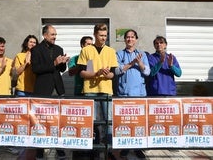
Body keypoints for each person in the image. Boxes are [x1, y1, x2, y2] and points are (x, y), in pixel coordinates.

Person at [77, 23, 118, 159]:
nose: (103, 38)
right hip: (90, 90)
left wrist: (106, 74)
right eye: (101, 35)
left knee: (108, 120)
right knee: (91, 121)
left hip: (106, 90)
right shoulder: (87, 50)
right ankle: (92, 148)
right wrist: (97, 73)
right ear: (95, 35)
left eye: (105, 35)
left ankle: (108, 149)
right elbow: (83, 73)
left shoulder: (111, 51)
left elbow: (113, 74)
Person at [31, 24, 69, 160]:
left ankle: (59, 149)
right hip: (43, 89)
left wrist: (64, 62)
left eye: (55, 35)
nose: (55, 37)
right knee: (40, 122)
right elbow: (35, 69)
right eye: (52, 34)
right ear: (45, 35)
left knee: (57, 121)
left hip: (57, 89)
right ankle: (40, 151)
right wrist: (53, 63)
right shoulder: (36, 50)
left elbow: (62, 69)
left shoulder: (59, 48)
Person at [114, 29, 150, 159]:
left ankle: (138, 148)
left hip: (139, 94)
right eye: (127, 37)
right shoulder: (118, 54)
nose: (130, 39)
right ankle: (125, 146)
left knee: (139, 122)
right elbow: (117, 71)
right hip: (124, 93)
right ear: (125, 40)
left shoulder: (142, 54)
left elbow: (147, 72)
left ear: (136, 39)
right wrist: (131, 63)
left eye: (132, 37)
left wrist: (139, 63)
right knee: (125, 122)